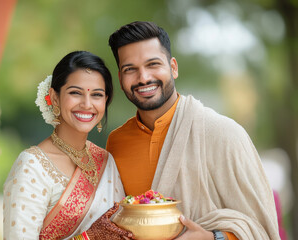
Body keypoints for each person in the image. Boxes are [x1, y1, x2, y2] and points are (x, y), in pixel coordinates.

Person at [106, 21, 280, 240]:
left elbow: (262, 228)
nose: (143, 78)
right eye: (130, 69)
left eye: (153, 64)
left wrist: (213, 237)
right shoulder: (117, 142)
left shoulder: (224, 134)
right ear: (120, 79)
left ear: (173, 67)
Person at [3, 51, 133, 240]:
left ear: (105, 101)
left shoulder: (106, 161)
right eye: (75, 93)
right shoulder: (32, 166)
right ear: (55, 98)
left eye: (97, 95)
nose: (87, 104)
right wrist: (89, 238)